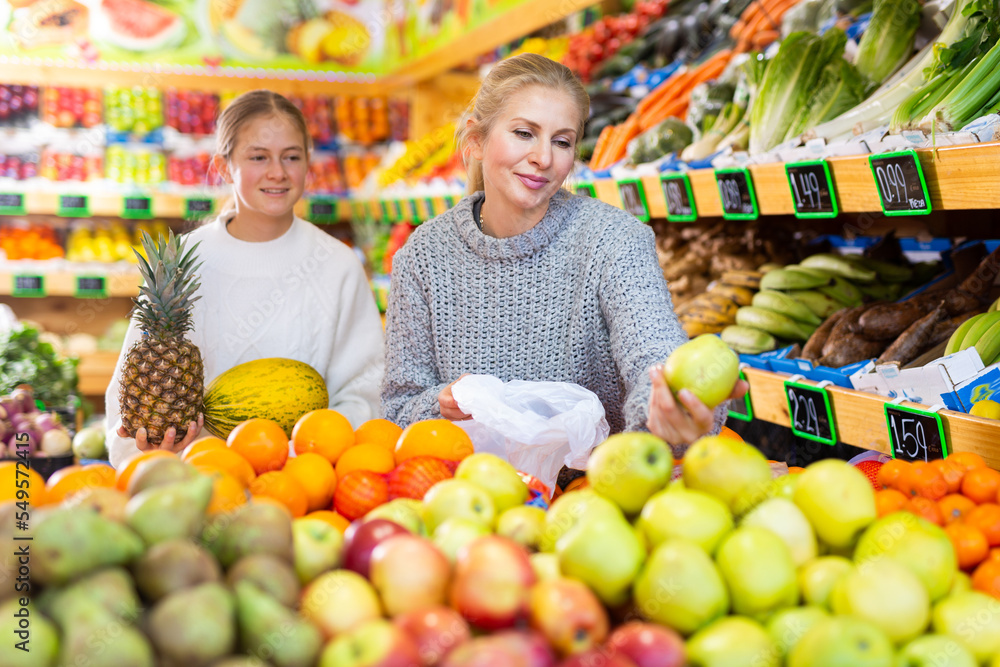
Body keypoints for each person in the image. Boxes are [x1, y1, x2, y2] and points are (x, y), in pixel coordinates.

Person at [381, 53, 746, 456]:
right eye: (524, 133)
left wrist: (667, 413)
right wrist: (440, 404)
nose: (544, 158)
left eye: (562, 141)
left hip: (594, 497)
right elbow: (398, 408)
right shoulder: (423, 257)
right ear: (477, 139)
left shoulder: (614, 241)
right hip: (464, 495)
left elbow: (654, 354)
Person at [106, 90, 384, 468]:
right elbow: (134, 387)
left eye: (292, 156)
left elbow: (363, 389)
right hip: (195, 474)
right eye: (258, 157)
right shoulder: (181, 261)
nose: (278, 172)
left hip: (304, 479)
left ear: (308, 163)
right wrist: (152, 446)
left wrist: (302, 451)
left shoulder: (337, 264)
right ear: (223, 166)